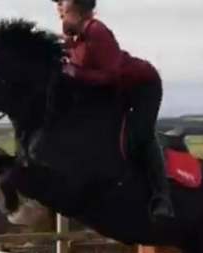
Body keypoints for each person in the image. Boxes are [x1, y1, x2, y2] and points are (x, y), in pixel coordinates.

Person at [52, 0, 175, 221]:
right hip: (115, 90)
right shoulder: (74, 38)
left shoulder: (96, 30)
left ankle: (162, 197)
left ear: (79, 8)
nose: (59, 7)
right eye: (57, 3)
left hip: (142, 86)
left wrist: (75, 73)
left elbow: (112, 75)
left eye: (63, 2)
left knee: (140, 135)